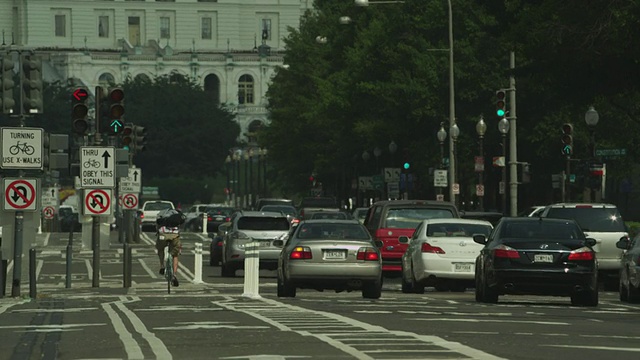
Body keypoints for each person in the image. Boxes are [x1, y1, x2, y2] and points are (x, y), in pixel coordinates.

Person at [155, 208, 185, 287]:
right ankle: (174, 275)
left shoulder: (161, 214)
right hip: (175, 235)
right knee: (175, 255)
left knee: (160, 249)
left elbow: (157, 225)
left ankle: (162, 266)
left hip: (163, 235)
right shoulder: (177, 214)